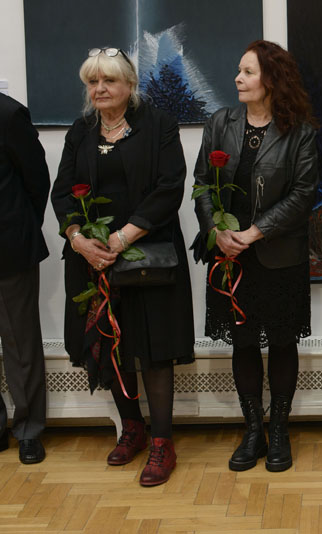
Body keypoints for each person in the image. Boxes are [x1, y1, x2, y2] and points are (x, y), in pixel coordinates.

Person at [51, 47, 194, 486]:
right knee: (108, 344)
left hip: (147, 254)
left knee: (153, 346)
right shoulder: (80, 131)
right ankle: (132, 428)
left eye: (108, 80)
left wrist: (121, 238)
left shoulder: (160, 125)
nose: (99, 89)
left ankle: (162, 442)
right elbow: (62, 193)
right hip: (91, 259)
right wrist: (79, 239)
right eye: (92, 81)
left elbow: (170, 189)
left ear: (129, 85)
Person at [193, 40, 318, 473]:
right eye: (239, 71)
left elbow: (303, 194)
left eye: (247, 72)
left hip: (278, 255)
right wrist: (217, 231)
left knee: (282, 342)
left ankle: (279, 430)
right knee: (243, 342)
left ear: (272, 79)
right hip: (230, 257)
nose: (238, 79)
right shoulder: (220, 122)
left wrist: (253, 232)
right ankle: (253, 431)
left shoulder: (299, 131)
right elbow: (202, 184)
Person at [0, 93, 49, 464]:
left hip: (9, 247)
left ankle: (29, 430)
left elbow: (37, 180)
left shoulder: (8, 113)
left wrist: (20, 226)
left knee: (21, 343)